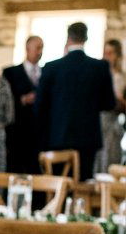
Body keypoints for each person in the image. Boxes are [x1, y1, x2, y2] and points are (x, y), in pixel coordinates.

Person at [36, 21, 117, 181]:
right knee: (83, 186)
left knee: (58, 184)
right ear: (86, 38)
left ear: (68, 38)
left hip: (58, 137)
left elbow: (40, 107)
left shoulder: (52, 67)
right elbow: (109, 103)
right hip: (87, 138)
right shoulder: (99, 67)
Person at [3, 35, 43, 173]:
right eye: (37, 48)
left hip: (37, 133)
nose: (40, 52)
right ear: (27, 49)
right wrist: (22, 100)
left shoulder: (45, 73)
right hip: (17, 132)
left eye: (41, 48)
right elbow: (5, 101)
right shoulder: (10, 72)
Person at [97, 38, 125, 172]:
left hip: (112, 125)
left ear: (117, 55)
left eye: (110, 53)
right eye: (105, 52)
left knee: (109, 160)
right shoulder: (97, 74)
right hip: (96, 123)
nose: (106, 56)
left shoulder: (121, 77)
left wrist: (118, 101)